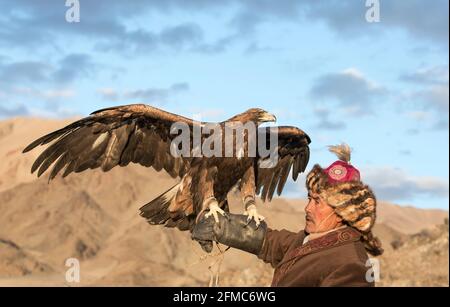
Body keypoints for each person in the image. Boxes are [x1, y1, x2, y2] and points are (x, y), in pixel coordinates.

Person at [192, 144, 383, 287]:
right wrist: (222, 226)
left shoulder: (352, 266)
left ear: (343, 211)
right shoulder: (310, 241)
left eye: (317, 201)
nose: (307, 208)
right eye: (309, 198)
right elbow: (269, 242)